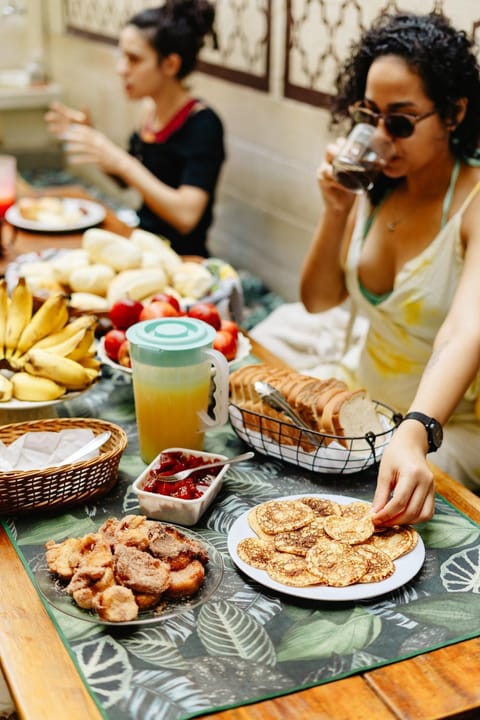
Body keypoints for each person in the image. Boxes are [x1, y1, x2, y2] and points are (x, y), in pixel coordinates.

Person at [300, 12, 480, 526]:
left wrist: (415, 431)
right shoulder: (377, 186)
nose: (380, 136)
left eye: (400, 122)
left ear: (453, 113)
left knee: (360, 518)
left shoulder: (474, 204)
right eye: (369, 115)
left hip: (443, 426)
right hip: (365, 403)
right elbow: (318, 301)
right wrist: (334, 212)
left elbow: (466, 328)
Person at [45, 0, 225, 257]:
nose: (121, 70)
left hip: (183, 258)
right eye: (122, 57)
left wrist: (120, 160)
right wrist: (95, 143)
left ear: (170, 65)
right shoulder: (149, 111)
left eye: (134, 59)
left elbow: (186, 216)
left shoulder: (204, 124)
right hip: (142, 245)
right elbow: (125, 181)